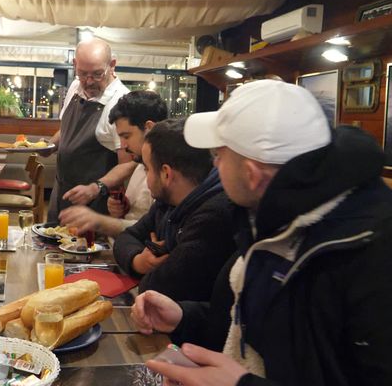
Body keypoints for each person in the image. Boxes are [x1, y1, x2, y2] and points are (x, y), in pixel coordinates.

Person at [132, 80, 392, 386]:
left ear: (252, 175)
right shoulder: (272, 217)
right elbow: (261, 328)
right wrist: (186, 317)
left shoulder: (372, 251)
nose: (214, 166)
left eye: (219, 155)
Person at [113, 119, 235, 302]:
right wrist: (139, 262)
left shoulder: (214, 217)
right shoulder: (167, 202)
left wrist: (157, 261)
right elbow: (125, 238)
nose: (145, 177)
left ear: (166, 174)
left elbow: (155, 289)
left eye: (147, 169)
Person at [58, 90, 166, 237]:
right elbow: (137, 216)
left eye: (126, 136)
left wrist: (99, 221)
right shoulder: (140, 162)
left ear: (149, 128)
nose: (123, 145)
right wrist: (120, 210)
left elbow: (154, 229)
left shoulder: (167, 173)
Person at [45, 37, 131, 222]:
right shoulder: (76, 86)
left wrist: (95, 188)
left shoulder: (121, 103)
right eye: (83, 73)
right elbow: (67, 131)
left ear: (112, 65)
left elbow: (128, 163)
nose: (89, 81)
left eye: (97, 74)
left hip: (94, 203)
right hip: (62, 190)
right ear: (75, 64)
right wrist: (49, 146)